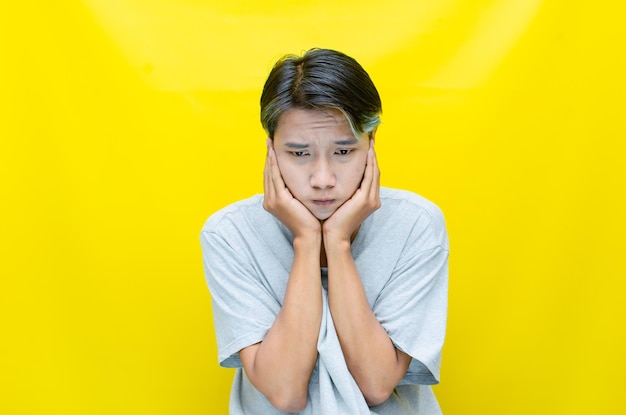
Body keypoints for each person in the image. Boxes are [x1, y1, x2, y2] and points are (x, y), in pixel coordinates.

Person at [200, 48, 449, 414]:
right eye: (299, 154)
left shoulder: (415, 224)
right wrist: (305, 240)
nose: (322, 180)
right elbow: (285, 393)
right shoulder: (230, 234)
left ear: (371, 144)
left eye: (344, 152)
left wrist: (337, 242)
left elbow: (377, 383)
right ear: (271, 150)